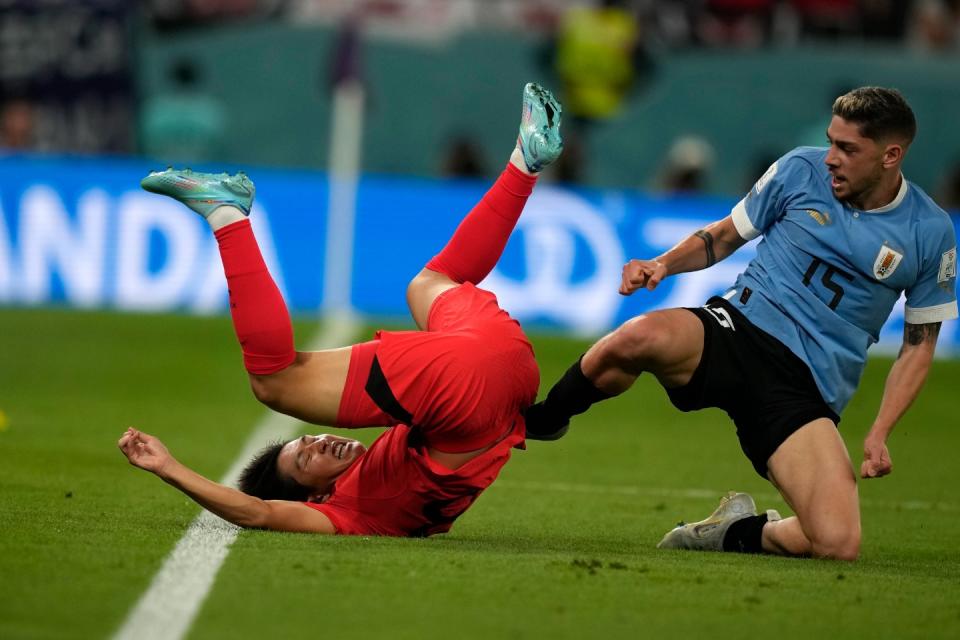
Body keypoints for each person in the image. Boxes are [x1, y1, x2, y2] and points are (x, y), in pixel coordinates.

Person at [525, 86, 957, 561]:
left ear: (891, 155)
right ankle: (544, 419)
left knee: (837, 543)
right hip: (739, 327)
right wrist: (663, 264)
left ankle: (730, 532)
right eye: (832, 142)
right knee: (637, 336)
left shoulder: (930, 232)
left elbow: (918, 346)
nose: (831, 158)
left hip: (805, 386)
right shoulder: (799, 169)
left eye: (848, 149)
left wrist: (879, 432)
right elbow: (725, 235)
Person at [118, 83, 564, 537]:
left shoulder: (394, 475)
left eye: (306, 440)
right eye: (307, 458)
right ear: (315, 499)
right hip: (469, 391)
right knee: (274, 384)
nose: (320, 440)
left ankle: (524, 161)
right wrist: (168, 467)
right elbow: (260, 513)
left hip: (511, 368)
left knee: (429, 284)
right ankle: (225, 214)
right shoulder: (348, 510)